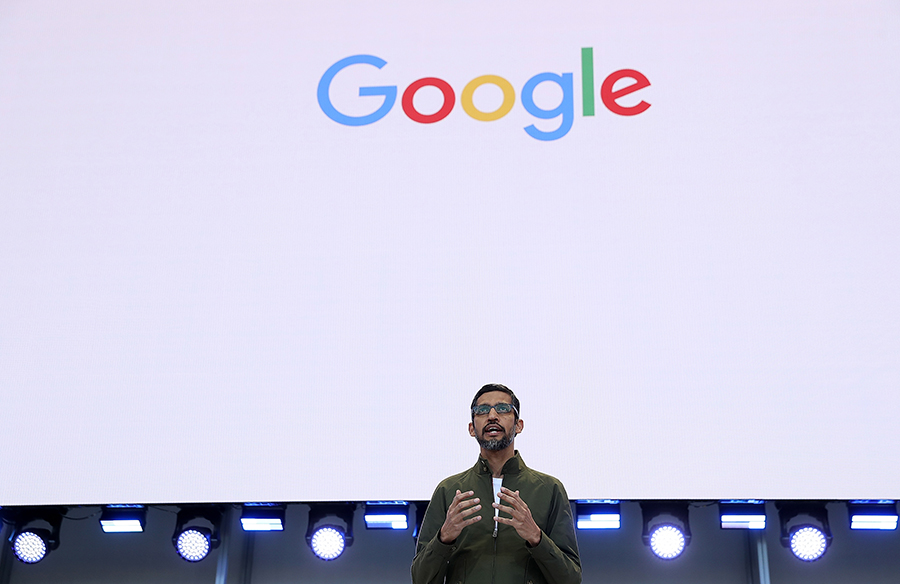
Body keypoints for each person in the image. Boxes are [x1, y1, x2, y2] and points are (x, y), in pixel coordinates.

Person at [411, 384, 582, 584]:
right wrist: (444, 537)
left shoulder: (549, 489)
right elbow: (420, 579)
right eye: (482, 410)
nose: (492, 415)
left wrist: (536, 537)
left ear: (519, 425)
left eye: (503, 409)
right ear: (471, 429)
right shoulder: (448, 490)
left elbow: (571, 579)